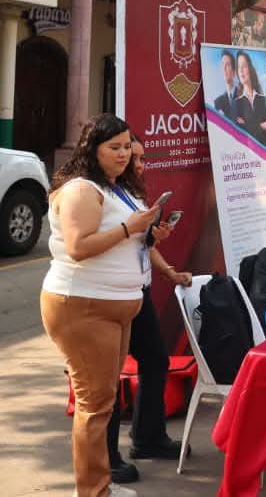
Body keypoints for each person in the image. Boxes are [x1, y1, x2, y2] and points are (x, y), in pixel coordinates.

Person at [41, 114, 161, 497]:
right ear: (92, 149)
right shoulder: (81, 190)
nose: (124, 154)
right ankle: (93, 491)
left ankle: (100, 485)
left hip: (115, 306)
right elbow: (79, 247)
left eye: (128, 146)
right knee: (94, 406)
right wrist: (130, 228)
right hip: (84, 305)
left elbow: (120, 241)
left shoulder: (113, 188)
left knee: (104, 401)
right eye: (115, 147)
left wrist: (148, 235)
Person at [106, 137, 191, 483]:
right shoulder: (101, 196)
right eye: (129, 155)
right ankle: (106, 458)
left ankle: (147, 437)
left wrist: (167, 267)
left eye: (139, 156)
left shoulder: (133, 197)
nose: (138, 163)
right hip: (108, 298)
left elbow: (141, 245)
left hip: (137, 293)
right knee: (107, 379)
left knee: (155, 360)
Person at [233, 51, 266, 148]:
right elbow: (241, 134)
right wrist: (263, 125)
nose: (241, 71)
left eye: (244, 66)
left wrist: (248, 125)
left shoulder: (263, 99)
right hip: (248, 156)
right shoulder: (236, 103)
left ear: (250, 68)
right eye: (238, 67)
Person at [212, 50, 240, 118]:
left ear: (234, 71)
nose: (224, 68)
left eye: (227, 65)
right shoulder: (218, 102)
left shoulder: (243, 97)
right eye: (222, 64)